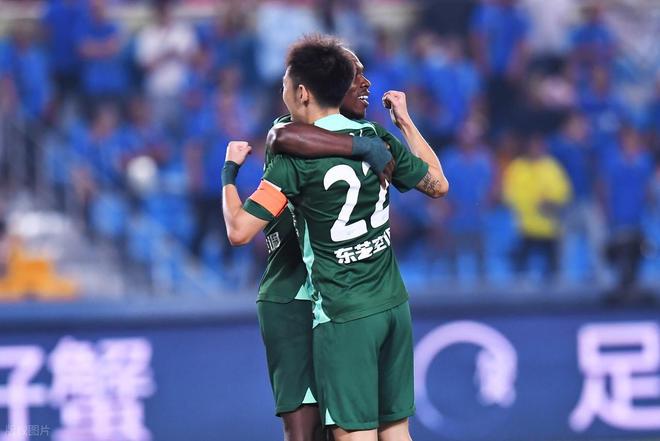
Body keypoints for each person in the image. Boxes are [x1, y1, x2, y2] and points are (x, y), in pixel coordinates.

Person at [224, 36, 448, 441]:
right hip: (393, 304)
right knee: (397, 432)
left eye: (285, 84)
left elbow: (239, 230)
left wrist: (228, 175)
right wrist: (403, 122)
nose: (366, 83)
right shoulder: (377, 137)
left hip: (341, 311)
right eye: (356, 75)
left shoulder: (294, 155)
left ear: (302, 92)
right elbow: (438, 184)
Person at [503, 133, 571, 280]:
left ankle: (553, 283)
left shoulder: (552, 167)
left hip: (549, 226)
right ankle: (519, 282)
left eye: (539, 146)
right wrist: (532, 204)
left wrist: (551, 202)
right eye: (533, 146)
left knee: (553, 267)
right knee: (520, 266)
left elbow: (563, 191)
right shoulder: (518, 167)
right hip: (526, 225)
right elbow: (511, 193)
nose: (536, 149)